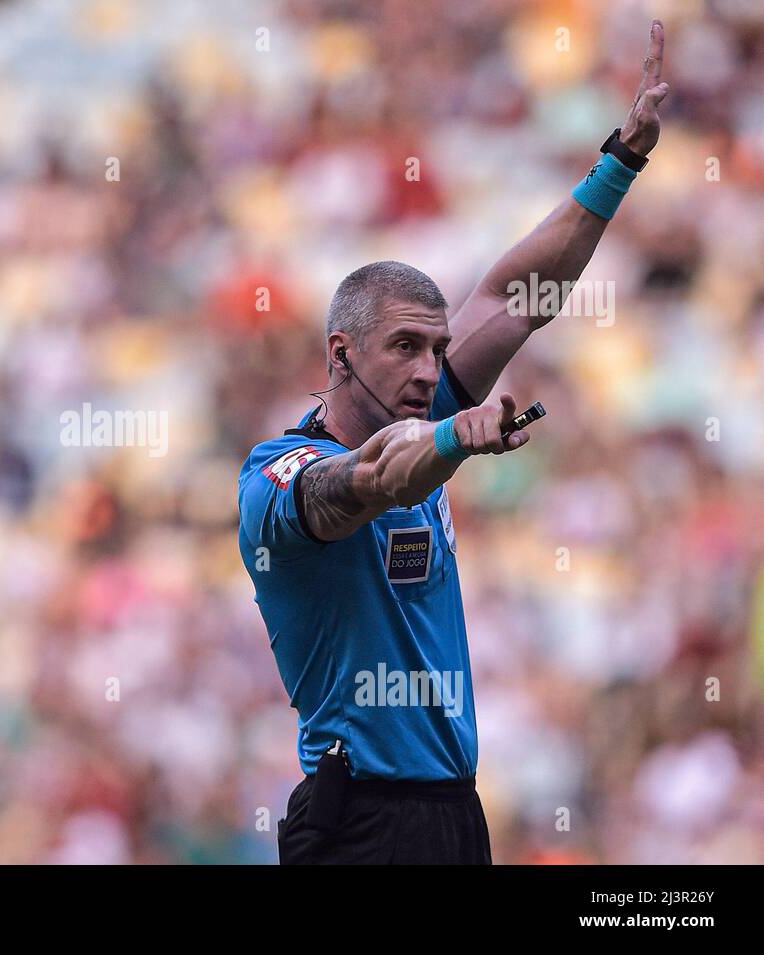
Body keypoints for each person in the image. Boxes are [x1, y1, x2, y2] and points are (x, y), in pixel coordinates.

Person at [238, 21, 670, 864]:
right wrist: (453, 436)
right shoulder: (278, 472)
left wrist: (621, 159)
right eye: (405, 346)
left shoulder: (427, 407)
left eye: (437, 349)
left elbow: (520, 292)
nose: (428, 367)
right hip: (358, 820)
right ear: (341, 353)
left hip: (450, 813)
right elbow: (369, 482)